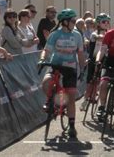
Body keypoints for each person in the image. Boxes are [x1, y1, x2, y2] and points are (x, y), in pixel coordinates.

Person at [39, 9, 85, 138]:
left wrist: (82, 70)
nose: (74, 23)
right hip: (56, 65)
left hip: (70, 67)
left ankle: (71, 126)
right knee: (46, 83)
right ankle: (50, 101)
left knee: (70, 96)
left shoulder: (77, 35)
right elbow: (46, 50)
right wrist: (42, 59)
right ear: (65, 22)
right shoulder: (55, 34)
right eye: (73, 21)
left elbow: (80, 54)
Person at [80, 13, 110, 111]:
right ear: (98, 23)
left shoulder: (109, 33)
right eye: (104, 22)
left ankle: (96, 99)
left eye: (108, 22)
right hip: (93, 60)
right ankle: (85, 100)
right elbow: (98, 37)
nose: (106, 23)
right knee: (90, 82)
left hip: (105, 60)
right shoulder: (94, 33)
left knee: (100, 83)